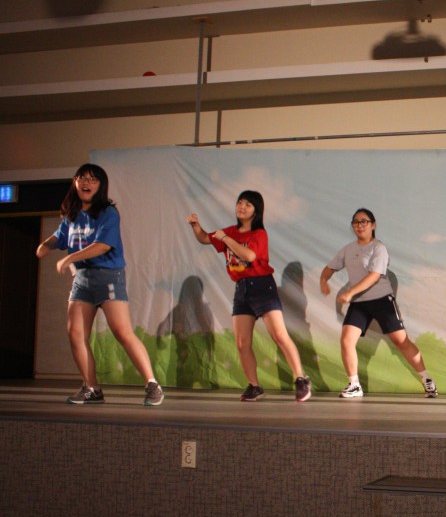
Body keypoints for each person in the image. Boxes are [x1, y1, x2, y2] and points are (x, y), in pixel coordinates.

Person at [35, 163, 164, 406]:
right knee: (75, 333)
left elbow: (103, 246)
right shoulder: (72, 214)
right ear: (75, 182)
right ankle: (91, 388)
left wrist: (69, 258)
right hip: (82, 279)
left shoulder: (108, 212)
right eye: (82, 178)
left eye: (93, 179)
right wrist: (46, 245)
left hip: (108, 276)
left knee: (122, 331)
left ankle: (152, 384)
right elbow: (60, 236)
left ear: (100, 185)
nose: (86, 183)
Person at [186, 191, 312, 402]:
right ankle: (255, 386)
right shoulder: (230, 231)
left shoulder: (258, 234)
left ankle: (300, 379)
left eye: (247, 204)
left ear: (256, 210)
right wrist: (196, 226)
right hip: (242, 289)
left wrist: (226, 238)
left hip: (262, 286)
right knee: (242, 343)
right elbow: (205, 238)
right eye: (239, 203)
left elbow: (250, 256)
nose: (241, 207)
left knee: (279, 335)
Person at [319, 208, 437, 399]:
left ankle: (426, 378)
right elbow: (329, 268)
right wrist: (323, 281)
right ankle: (354, 385)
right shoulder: (348, 249)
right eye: (356, 222)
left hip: (382, 300)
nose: (360, 225)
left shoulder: (378, 248)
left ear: (373, 225)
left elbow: (374, 276)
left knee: (401, 341)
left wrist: (350, 292)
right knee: (347, 340)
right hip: (359, 303)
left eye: (364, 222)